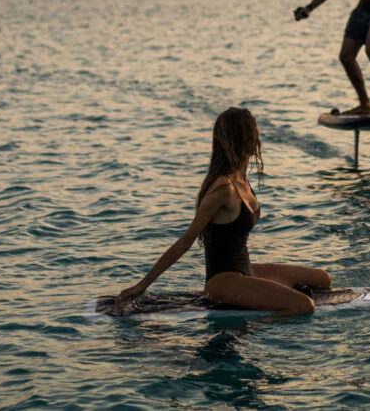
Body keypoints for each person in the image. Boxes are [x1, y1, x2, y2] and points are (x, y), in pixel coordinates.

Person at [114, 107, 331, 316]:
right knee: (304, 305)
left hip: (247, 270)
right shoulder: (223, 189)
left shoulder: (242, 179)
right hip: (222, 282)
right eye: (252, 132)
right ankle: (252, 326)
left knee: (322, 279)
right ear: (240, 139)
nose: (257, 137)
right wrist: (141, 287)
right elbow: (185, 241)